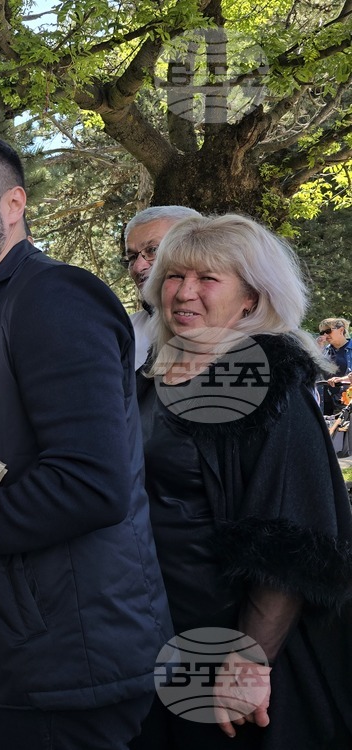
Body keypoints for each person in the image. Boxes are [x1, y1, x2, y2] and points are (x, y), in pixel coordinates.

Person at [0, 133, 171, 750]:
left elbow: (89, 482)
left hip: (71, 659)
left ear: (13, 204)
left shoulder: (54, 295)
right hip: (17, 646)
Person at [132, 214, 352, 749]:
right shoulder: (155, 375)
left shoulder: (268, 386)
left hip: (236, 641)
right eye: (174, 276)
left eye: (207, 279)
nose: (184, 292)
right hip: (159, 628)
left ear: (251, 298)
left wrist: (248, 660)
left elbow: (292, 543)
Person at [122, 206, 202, 369]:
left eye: (153, 250)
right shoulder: (125, 331)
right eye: (132, 257)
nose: (138, 267)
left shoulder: (236, 325)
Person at [318, 317, 351, 414]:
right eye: (322, 333)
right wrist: (317, 350)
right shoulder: (324, 350)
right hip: (325, 404)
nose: (325, 335)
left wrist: (341, 379)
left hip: (347, 404)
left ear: (341, 330)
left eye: (328, 331)